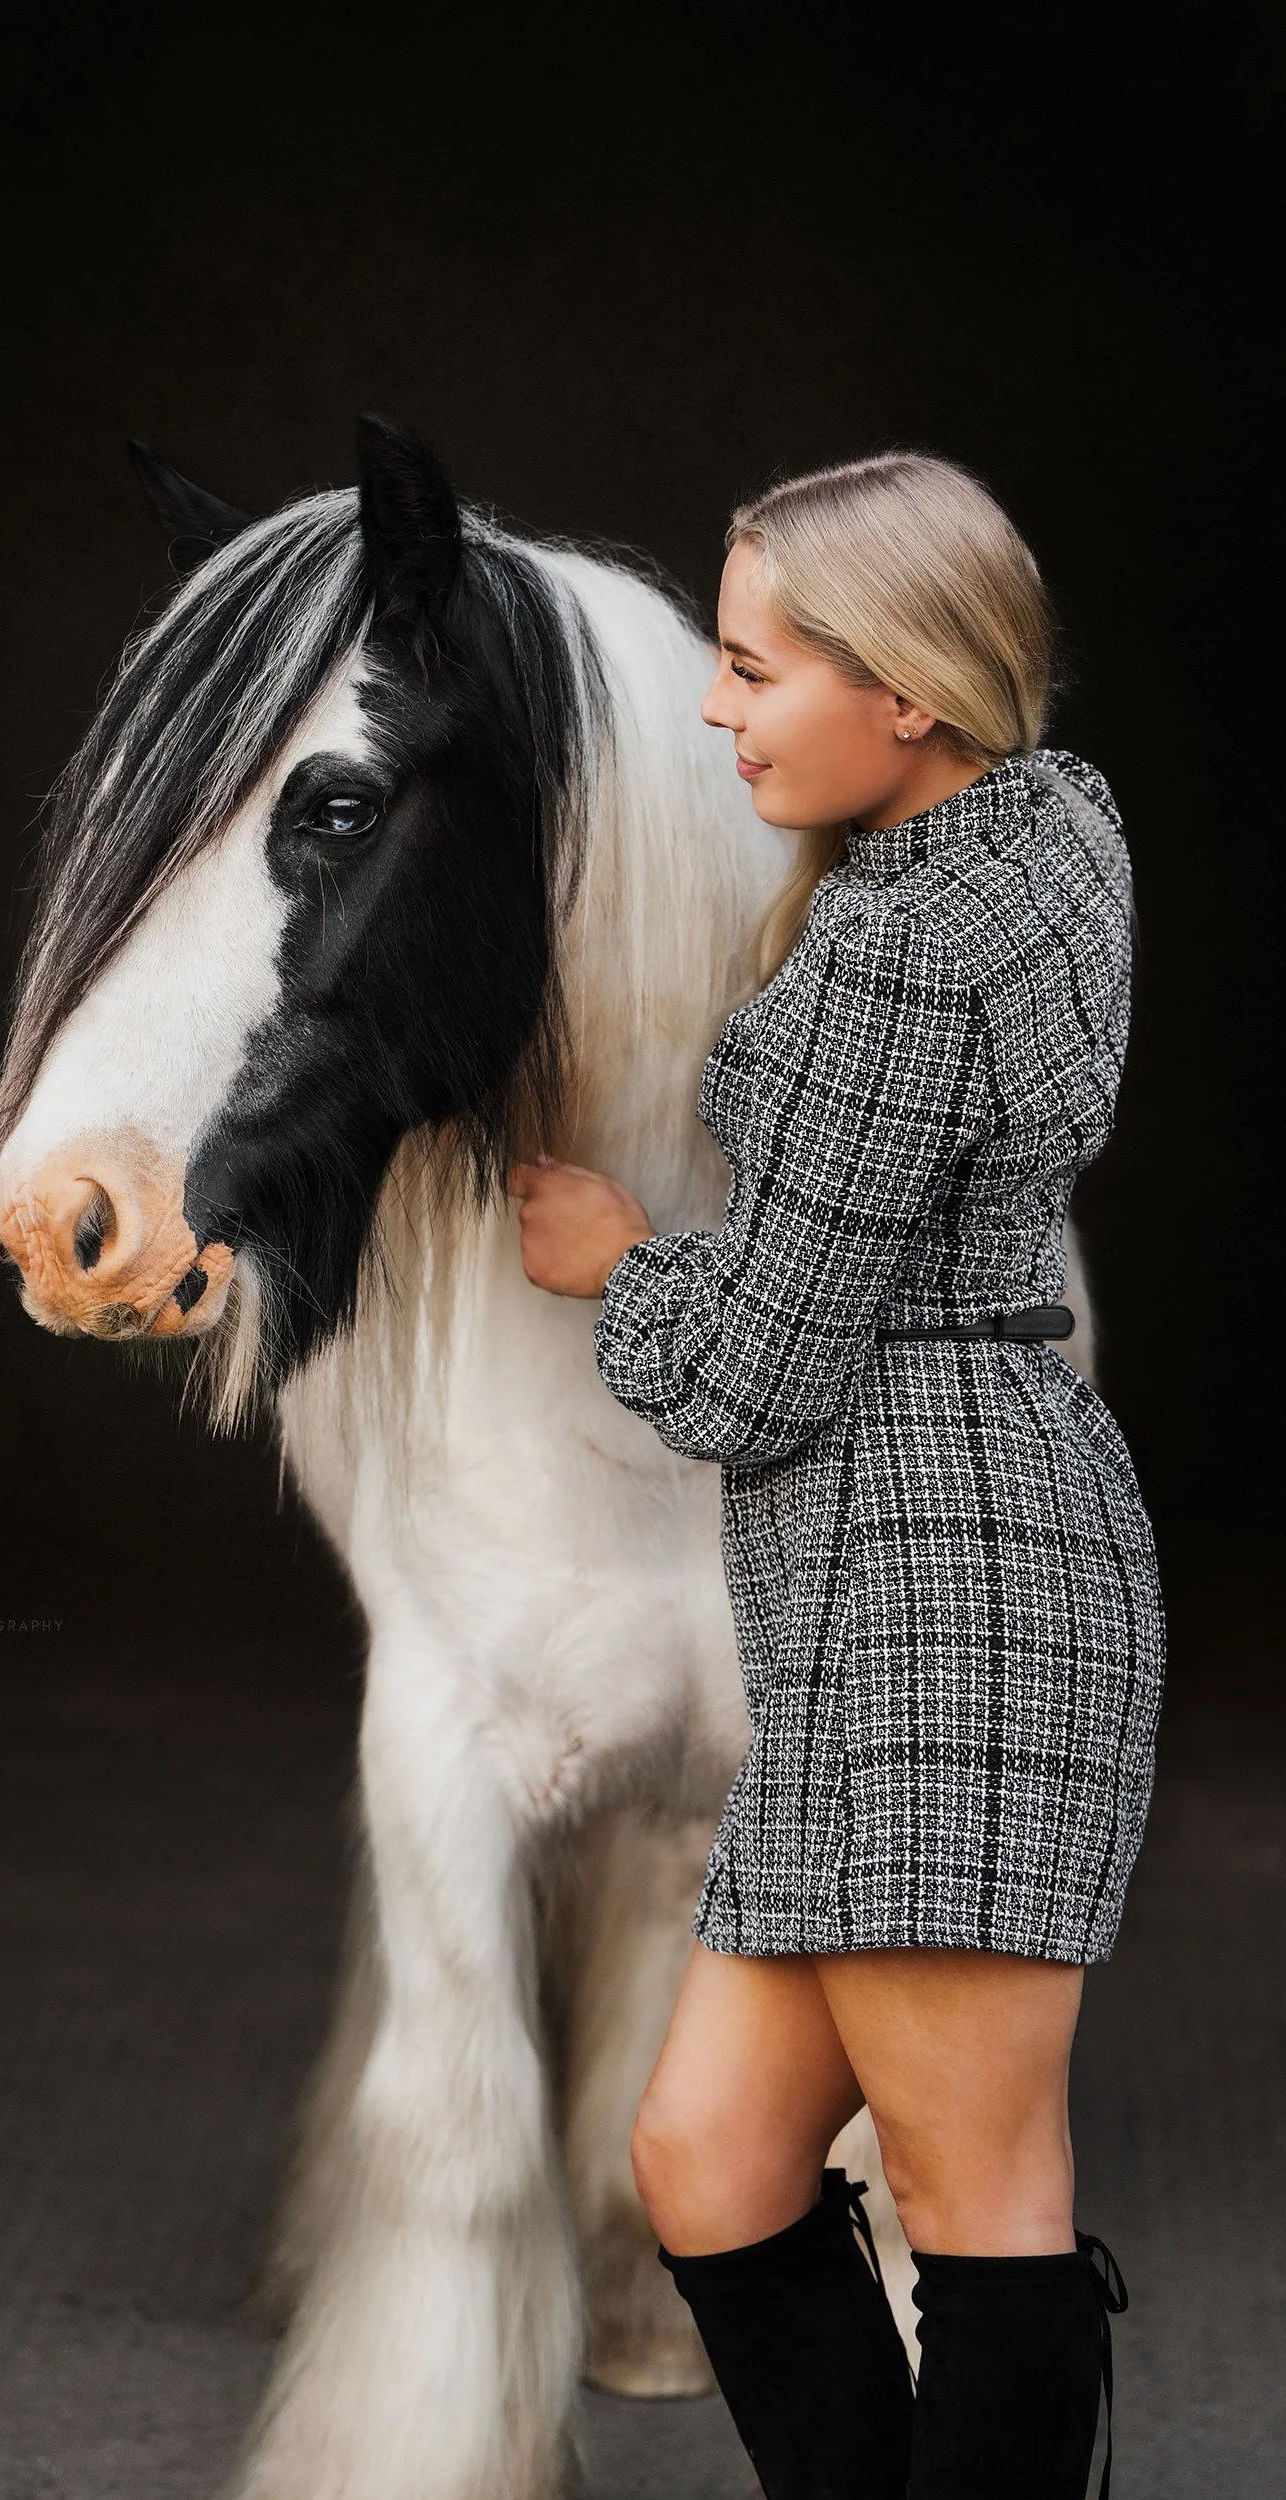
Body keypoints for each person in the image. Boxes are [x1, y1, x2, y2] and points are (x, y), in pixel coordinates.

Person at [509, 454, 1160, 2500]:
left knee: (980, 2204)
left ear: (912, 690)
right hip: (943, 1543)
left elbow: (763, 1367)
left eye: (756, 666)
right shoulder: (1054, 833)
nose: (719, 710)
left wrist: (625, 1263)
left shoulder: (891, 955)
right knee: (706, 2150)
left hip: (936, 1583)